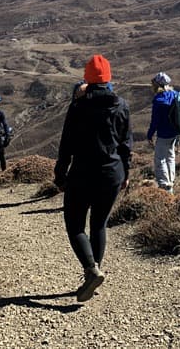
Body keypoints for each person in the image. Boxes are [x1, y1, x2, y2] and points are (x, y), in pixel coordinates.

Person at [53, 54, 132, 302]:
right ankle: (93, 274)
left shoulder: (78, 106)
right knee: (99, 224)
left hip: (83, 173)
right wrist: (126, 174)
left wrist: (60, 174)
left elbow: (66, 145)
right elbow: (126, 145)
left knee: (75, 225)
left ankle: (91, 270)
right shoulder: (121, 105)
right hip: (112, 174)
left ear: (87, 78)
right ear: (108, 78)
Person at [146, 71, 179, 193]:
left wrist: (150, 135)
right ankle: (171, 181)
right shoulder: (175, 94)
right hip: (174, 133)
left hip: (163, 134)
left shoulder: (158, 100)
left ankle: (165, 187)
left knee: (160, 159)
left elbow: (155, 121)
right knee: (170, 156)